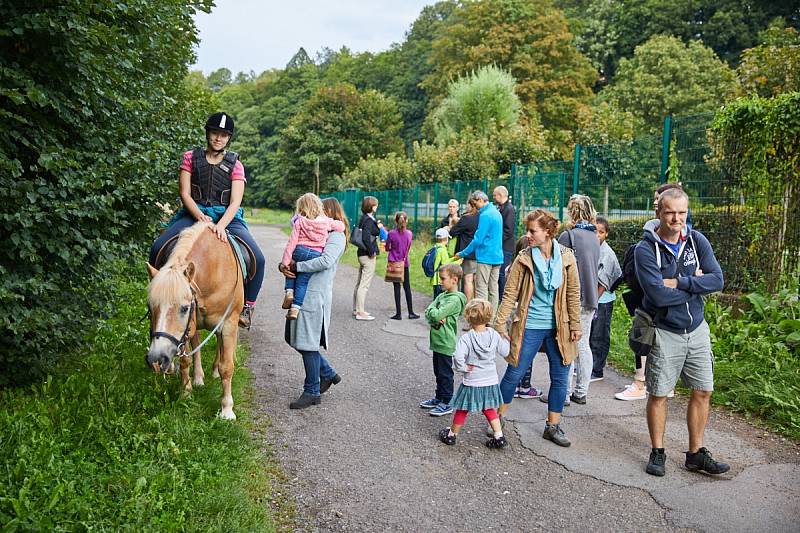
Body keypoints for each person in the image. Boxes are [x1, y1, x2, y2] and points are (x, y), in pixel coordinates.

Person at [635, 188, 728, 477]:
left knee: (703, 390)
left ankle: (695, 454)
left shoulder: (697, 240)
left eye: (682, 212)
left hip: (697, 329)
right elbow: (658, 296)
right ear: (659, 213)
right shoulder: (645, 249)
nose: (677, 218)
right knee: (660, 393)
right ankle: (658, 451)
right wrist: (695, 284)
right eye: (670, 212)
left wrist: (679, 282)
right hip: (664, 331)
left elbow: (718, 280)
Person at [149, 112, 265, 329]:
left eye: (223, 135)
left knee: (258, 258)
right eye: (214, 133)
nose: (218, 138)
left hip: (227, 218)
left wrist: (220, 226)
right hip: (193, 213)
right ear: (208, 134)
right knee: (157, 247)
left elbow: (236, 201)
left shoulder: (235, 164)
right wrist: (200, 216)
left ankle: (247, 306)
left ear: (228, 138)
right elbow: (185, 193)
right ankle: (159, 301)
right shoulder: (190, 157)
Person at [494, 209, 582, 447]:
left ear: (548, 232)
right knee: (514, 372)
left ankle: (552, 427)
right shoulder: (524, 257)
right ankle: (496, 421)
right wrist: (498, 323)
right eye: (528, 230)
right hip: (529, 324)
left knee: (561, 377)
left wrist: (575, 323)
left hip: (559, 327)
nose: (528, 235)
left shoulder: (566, 257)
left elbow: (573, 293)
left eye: (533, 231)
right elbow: (510, 294)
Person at [615, 183, 685, 401]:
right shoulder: (651, 237)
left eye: (659, 198)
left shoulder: (687, 238)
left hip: (658, 305)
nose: (656, 202)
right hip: (652, 298)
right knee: (648, 338)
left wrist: (677, 283)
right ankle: (651, 382)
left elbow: (706, 278)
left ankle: (640, 383)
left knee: (646, 337)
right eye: (656, 200)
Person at [280, 198, 348, 409]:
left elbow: (325, 261)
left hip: (314, 296)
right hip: (303, 293)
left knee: (307, 344)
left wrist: (297, 266)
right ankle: (327, 373)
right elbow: (294, 248)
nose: (318, 215)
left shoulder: (336, 236)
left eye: (322, 211)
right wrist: (285, 266)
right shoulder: (316, 231)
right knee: (291, 337)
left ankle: (312, 391)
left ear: (330, 212)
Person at [547, 194, 599, 406]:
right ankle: (581, 391)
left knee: (566, 343)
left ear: (572, 211)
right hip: (591, 297)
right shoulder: (595, 237)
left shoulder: (568, 237)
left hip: (572, 297)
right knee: (583, 344)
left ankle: (564, 392)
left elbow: (556, 267)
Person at [438, 298, 509, 449]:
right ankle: (499, 436)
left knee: (463, 408)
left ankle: (452, 435)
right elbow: (505, 351)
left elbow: (457, 357)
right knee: (489, 407)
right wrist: (506, 339)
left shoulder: (466, 338)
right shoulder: (494, 335)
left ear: (468, 317)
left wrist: (463, 367)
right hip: (490, 379)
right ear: (489, 316)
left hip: (473, 380)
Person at [280, 193, 345, 320]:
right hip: (315, 253)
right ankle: (295, 309)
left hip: (299, 250)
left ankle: (289, 292)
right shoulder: (326, 222)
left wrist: (285, 262)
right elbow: (341, 226)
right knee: (302, 281)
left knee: (290, 268)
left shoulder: (300, 222)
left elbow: (291, 243)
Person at [420, 263, 467, 418]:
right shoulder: (442, 296)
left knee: (445, 374)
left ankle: (447, 401)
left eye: (443, 279)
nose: (440, 281)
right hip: (437, 342)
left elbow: (435, 314)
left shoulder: (454, 300)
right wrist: (434, 314)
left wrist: (434, 314)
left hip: (446, 342)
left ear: (454, 280)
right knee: (438, 372)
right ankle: (439, 397)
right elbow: (429, 311)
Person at [454, 191, 503, 313]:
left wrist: (462, 253)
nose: (475, 207)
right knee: (493, 290)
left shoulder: (485, 215)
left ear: (481, 200)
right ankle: (491, 321)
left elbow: (478, 240)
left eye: (475, 204)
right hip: (497, 257)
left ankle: (480, 320)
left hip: (485, 257)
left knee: (481, 290)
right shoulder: (497, 213)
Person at [590, 217, 622, 380]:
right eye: (595, 231)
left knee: (599, 335)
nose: (597, 235)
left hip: (602, 299)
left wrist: (593, 302)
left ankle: (597, 369)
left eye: (601, 232)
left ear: (606, 234)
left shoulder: (607, 254)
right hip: (592, 298)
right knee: (590, 334)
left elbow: (605, 281)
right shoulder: (592, 248)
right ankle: (589, 366)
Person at [384, 211, 419, 320]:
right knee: (407, 287)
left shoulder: (391, 233)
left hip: (394, 263)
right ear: (406, 221)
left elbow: (387, 248)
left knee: (396, 288)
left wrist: (392, 249)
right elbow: (408, 247)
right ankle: (411, 312)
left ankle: (398, 314)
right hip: (405, 263)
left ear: (395, 220)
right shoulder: (409, 233)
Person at [353, 196, 381, 321]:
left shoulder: (364, 218)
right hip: (367, 255)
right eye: (375, 204)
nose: (377, 206)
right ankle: (360, 312)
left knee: (359, 283)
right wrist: (372, 251)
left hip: (361, 254)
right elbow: (365, 237)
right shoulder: (369, 220)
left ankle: (356, 309)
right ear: (371, 206)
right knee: (364, 285)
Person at [448, 200, 479, 302]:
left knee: (468, 279)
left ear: (471, 205)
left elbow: (453, 232)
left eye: (467, 205)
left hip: (467, 253)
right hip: (479, 253)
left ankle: (468, 304)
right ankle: (477, 305)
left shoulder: (466, 218)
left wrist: (454, 223)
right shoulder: (482, 217)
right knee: (476, 281)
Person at [493, 186, 516, 295]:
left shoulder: (509, 209)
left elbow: (508, 230)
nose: (493, 197)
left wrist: (495, 240)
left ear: (500, 195)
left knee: (501, 273)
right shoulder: (502, 208)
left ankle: (502, 297)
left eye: (495, 195)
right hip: (502, 246)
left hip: (505, 247)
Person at [431, 227, 461, 298]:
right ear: (446, 239)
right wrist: (458, 262)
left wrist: (454, 258)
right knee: (440, 299)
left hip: (435, 279)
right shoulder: (442, 250)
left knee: (436, 298)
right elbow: (446, 265)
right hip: (440, 279)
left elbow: (444, 261)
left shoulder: (436, 247)